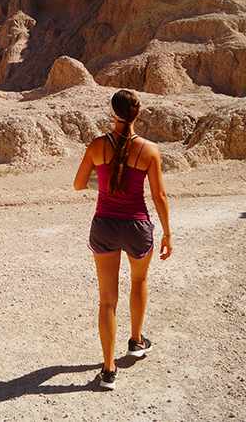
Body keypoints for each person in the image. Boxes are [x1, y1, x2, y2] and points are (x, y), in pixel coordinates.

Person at [73, 89, 172, 390]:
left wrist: (105, 183)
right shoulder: (149, 150)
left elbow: (79, 184)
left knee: (107, 300)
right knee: (139, 282)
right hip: (137, 227)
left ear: (112, 113)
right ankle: (136, 341)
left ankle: (108, 369)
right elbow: (159, 195)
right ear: (137, 113)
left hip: (103, 225)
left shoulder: (97, 146)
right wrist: (167, 233)